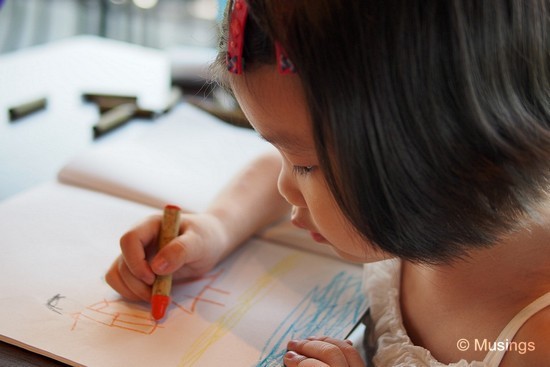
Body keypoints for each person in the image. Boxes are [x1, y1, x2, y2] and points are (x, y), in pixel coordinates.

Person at [106, 0, 550, 366]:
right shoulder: (429, 212)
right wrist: (215, 229)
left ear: (442, 151)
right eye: (288, 155)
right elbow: (266, 175)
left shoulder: (534, 342)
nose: (284, 185)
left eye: (303, 166)